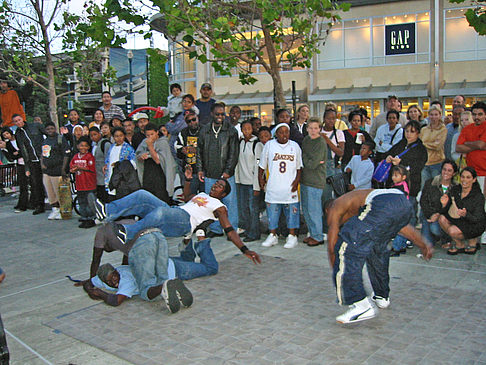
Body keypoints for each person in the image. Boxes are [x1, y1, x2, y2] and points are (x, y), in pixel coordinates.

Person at [90, 167, 262, 264]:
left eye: (219, 186)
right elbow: (187, 198)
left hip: (184, 223)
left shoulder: (220, 206)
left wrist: (245, 249)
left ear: (223, 194)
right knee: (143, 194)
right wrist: (187, 180)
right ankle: (108, 211)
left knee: (161, 212)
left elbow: (230, 230)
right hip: (176, 211)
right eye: (216, 183)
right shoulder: (203, 195)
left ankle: (127, 233)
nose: (214, 186)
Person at [326, 189, 433, 324]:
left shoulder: (335, 206)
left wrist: (338, 270)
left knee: (346, 245)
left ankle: (360, 305)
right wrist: (423, 244)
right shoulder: (361, 207)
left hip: (383, 202)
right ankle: (381, 296)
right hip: (401, 202)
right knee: (376, 246)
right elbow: (400, 225)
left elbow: (332, 246)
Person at [84, 259, 193, 313]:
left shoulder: (126, 280)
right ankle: (167, 284)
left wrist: (100, 293)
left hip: (173, 268)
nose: (113, 282)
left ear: (117, 271)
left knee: (209, 268)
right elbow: (88, 282)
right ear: (103, 281)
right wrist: (89, 289)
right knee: (188, 259)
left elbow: (116, 301)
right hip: (159, 265)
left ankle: (165, 285)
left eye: (114, 277)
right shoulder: (103, 277)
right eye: (109, 282)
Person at [196, 103, 239, 236]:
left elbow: (234, 153)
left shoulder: (231, 131)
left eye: (222, 114)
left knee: (230, 203)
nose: (220, 117)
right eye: (217, 114)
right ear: (212, 114)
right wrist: (200, 169)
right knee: (212, 202)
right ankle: (215, 229)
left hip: (226, 175)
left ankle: (231, 230)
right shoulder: (204, 130)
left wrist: (228, 170)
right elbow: (199, 151)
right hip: (209, 173)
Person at [259, 123, 302, 249]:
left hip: (290, 186)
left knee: (292, 212)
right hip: (273, 186)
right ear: (276, 134)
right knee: (272, 212)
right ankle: (273, 235)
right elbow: (261, 165)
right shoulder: (269, 145)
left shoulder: (295, 146)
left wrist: (296, 182)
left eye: (286, 132)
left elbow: (299, 167)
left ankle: (292, 236)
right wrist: (261, 181)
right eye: (281, 132)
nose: (284, 135)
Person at [439, 167, 486, 255]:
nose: (464, 180)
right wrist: (444, 204)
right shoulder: (455, 190)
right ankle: (460, 244)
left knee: (452, 230)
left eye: (468, 177)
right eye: (463, 177)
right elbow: (446, 211)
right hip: (460, 220)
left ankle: (473, 240)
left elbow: (478, 218)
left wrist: (466, 214)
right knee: (441, 218)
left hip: (474, 224)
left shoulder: (478, 196)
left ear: (474, 179)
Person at [300, 118, 327, 247]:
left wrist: (305, 158)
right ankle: (312, 233)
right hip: (305, 179)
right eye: (310, 128)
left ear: (320, 129)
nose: (313, 131)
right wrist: (307, 159)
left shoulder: (321, 142)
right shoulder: (306, 140)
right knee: (306, 209)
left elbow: (312, 163)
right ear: (307, 129)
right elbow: (306, 159)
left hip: (315, 180)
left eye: (316, 128)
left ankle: (318, 236)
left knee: (314, 210)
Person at [13, 114, 46, 214]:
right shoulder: (18, 134)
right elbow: (23, 151)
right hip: (32, 162)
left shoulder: (35, 126)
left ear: (23, 119)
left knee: (49, 181)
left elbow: (49, 135)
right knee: (36, 184)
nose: (18, 122)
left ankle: (57, 205)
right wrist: (27, 167)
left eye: (19, 120)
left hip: (43, 158)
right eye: (16, 121)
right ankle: (39, 205)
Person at [136, 123, 177, 203]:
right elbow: (138, 155)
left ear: (157, 132)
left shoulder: (163, 142)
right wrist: (141, 156)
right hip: (148, 173)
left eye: (152, 134)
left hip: (160, 174)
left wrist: (150, 146)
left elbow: (158, 160)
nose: (150, 137)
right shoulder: (144, 142)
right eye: (147, 135)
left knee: (160, 198)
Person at [420, 160, 457, 247]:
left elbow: (453, 208)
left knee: (435, 229)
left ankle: (446, 237)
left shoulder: (456, 188)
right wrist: (431, 214)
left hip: (445, 217)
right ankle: (434, 237)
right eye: (444, 169)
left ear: (454, 173)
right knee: (426, 246)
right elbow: (423, 201)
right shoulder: (430, 182)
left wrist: (438, 214)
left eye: (449, 170)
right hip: (428, 215)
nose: (446, 172)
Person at [235, 120, 259, 242]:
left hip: (252, 183)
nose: (246, 131)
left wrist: (257, 185)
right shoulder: (239, 142)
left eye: (249, 128)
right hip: (242, 182)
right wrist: (237, 180)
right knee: (244, 208)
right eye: (244, 129)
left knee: (253, 208)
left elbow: (258, 164)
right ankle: (248, 229)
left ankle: (254, 232)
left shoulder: (256, 144)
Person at [40, 122, 71, 220]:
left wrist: (63, 169)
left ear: (55, 129)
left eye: (52, 128)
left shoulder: (60, 139)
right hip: (47, 171)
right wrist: (42, 164)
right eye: (48, 129)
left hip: (57, 171)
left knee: (59, 192)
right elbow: (43, 154)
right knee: (50, 192)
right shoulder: (45, 140)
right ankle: (55, 209)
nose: (50, 131)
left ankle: (62, 210)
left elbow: (66, 155)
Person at [70, 136, 97, 228]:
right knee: (82, 202)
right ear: (78, 146)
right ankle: (84, 218)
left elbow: (91, 168)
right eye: (81, 145)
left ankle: (91, 219)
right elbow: (71, 167)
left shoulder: (90, 157)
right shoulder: (75, 157)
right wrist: (73, 170)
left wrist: (80, 167)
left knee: (90, 203)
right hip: (80, 184)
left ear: (89, 147)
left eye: (86, 146)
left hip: (89, 184)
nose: (83, 148)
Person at [0, 127, 28, 212]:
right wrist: (4, 149)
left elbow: (24, 150)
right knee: (22, 185)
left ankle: (27, 203)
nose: (6, 136)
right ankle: (22, 204)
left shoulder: (19, 138)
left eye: (7, 133)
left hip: (27, 162)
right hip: (19, 164)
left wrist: (18, 152)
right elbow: (11, 157)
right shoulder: (8, 144)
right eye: (4, 135)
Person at [320, 108, 345, 204]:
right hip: (321, 168)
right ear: (324, 119)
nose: (331, 121)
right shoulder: (318, 131)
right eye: (328, 118)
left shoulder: (338, 133)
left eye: (333, 118)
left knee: (337, 196)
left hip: (333, 167)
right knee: (323, 196)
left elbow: (340, 152)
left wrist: (327, 140)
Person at [175, 110, 203, 194]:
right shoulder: (183, 132)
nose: (192, 122)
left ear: (197, 118)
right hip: (190, 171)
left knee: (205, 198)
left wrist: (196, 150)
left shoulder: (205, 130)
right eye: (188, 121)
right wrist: (182, 150)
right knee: (190, 197)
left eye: (193, 119)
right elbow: (177, 147)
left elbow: (211, 149)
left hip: (204, 170)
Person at [420, 104, 447, 187]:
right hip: (424, 163)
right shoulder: (424, 129)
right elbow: (419, 145)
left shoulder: (443, 129)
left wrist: (424, 144)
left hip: (437, 163)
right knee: (424, 187)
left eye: (436, 114)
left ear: (440, 115)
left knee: (436, 187)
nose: (433, 117)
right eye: (431, 115)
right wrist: (431, 143)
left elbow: (438, 146)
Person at [451, 111, 473, 180]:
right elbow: (453, 153)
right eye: (462, 120)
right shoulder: (456, 136)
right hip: (461, 167)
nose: (464, 122)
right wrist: (461, 157)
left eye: (466, 119)